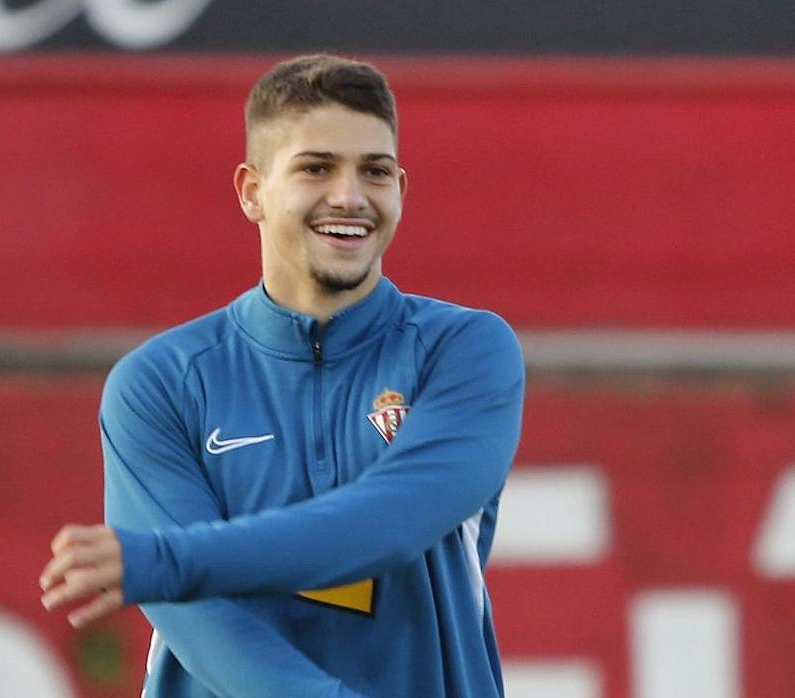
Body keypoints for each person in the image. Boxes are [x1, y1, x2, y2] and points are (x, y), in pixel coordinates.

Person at [40, 54, 525, 697]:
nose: (349, 196)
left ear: (401, 191)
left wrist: (164, 560)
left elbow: (390, 524)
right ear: (252, 191)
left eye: (375, 172)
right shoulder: (159, 384)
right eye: (316, 168)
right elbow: (203, 624)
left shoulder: (465, 350)